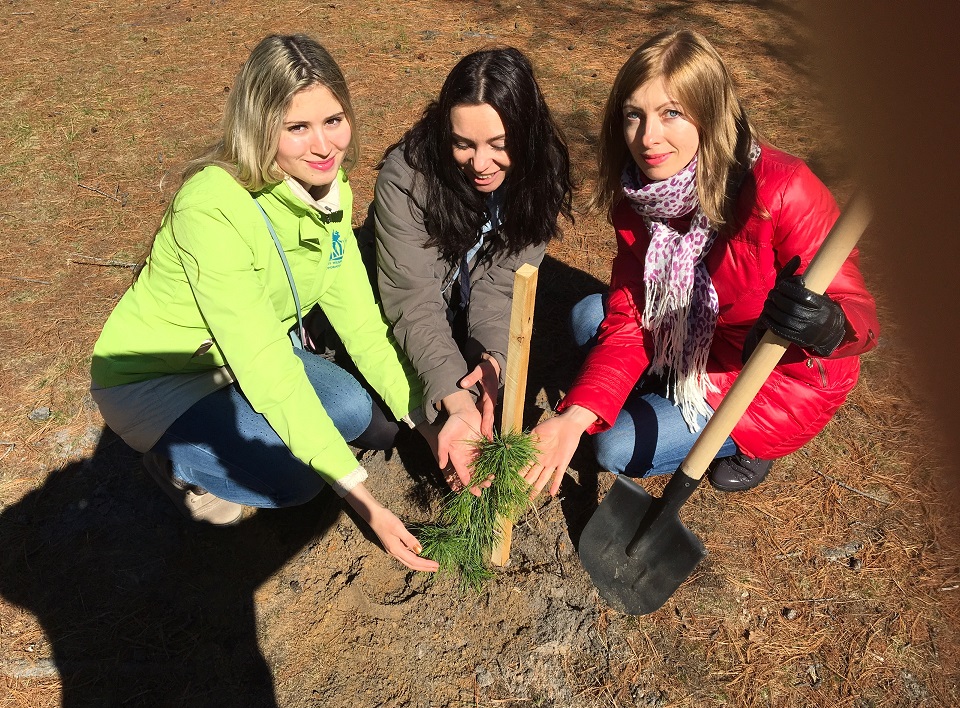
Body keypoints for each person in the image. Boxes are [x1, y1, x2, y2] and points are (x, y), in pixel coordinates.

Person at [89, 34, 438, 572]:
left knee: (355, 413)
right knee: (299, 480)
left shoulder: (330, 192)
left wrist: (427, 419)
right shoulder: (212, 207)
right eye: (297, 128)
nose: (323, 145)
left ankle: (250, 442)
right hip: (162, 381)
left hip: (247, 353)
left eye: (333, 120)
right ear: (258, 126)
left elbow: (363, 323)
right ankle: (176, 463)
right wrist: (365, 501)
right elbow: (270, 369)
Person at [523, 29, 879, 497]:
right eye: (635, 114)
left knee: (614, 446)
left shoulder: (783, 190)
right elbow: (633, 316)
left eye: (671, 113)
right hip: (696, 339)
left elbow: (857, 308)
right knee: (589, 315)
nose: (648, 137)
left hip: (770, 379)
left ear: (711, 115)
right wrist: (575, 415)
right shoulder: (640, 198)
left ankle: (749, 446)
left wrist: (830, 326)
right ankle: (668, 381)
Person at [372, 47, 573, 491]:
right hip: (411, 299)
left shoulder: (543, 176)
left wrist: (492, 360)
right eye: (463, 144)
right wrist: (453, 396)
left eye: (499, 146)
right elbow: (413, 298)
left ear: (526, 135)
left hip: (456, 301)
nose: (480, 164)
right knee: (383, 421)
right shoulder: (407, 177)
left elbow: (502, 284)